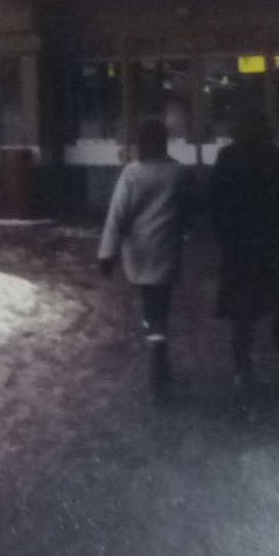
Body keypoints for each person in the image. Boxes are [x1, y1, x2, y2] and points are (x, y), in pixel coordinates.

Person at [98, 118, 198, 401]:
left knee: (149, 303)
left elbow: (117, 216)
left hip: (139, 253)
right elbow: (192, 208)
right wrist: (184, 231)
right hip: (167, 249)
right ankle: (159, 349)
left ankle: (156, 349)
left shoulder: (132, 173)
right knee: (161, 304)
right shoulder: (179, 173)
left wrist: (107, 253)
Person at [207, 108, 279, 392]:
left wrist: (225, 239)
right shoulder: (275, 155)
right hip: (272, 245)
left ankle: (243, 370)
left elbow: (214, 203)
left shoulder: (227, 157)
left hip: (240, 248)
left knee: (241, 315)